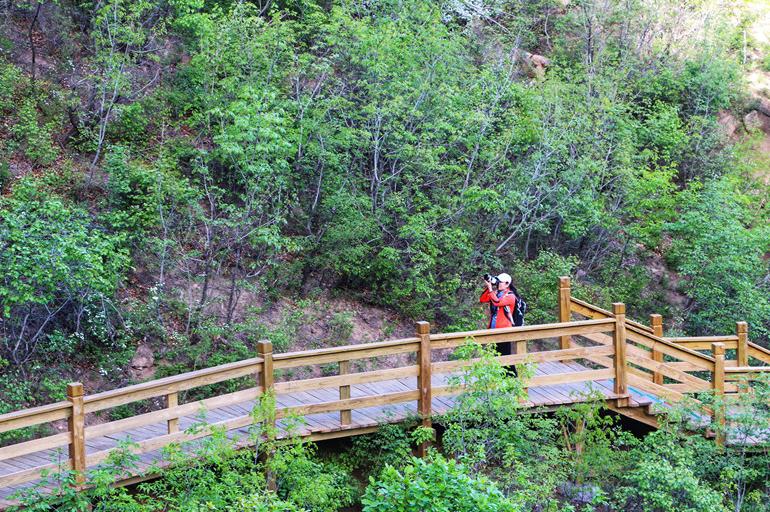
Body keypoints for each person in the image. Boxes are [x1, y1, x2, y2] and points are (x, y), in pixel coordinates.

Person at [479, 273, 517, 368]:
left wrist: (491, 290)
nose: (498, 283)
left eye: (500, 282)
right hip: (493, 328)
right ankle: (499, 378)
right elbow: (483, 299)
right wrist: (489, 287)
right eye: (498, 281)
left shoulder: (510, 296)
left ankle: (512, 377)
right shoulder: (495, 293)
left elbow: (497, 302)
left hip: (504, 330)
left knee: (505, 355)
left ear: (507, 284)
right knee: (495, 354)